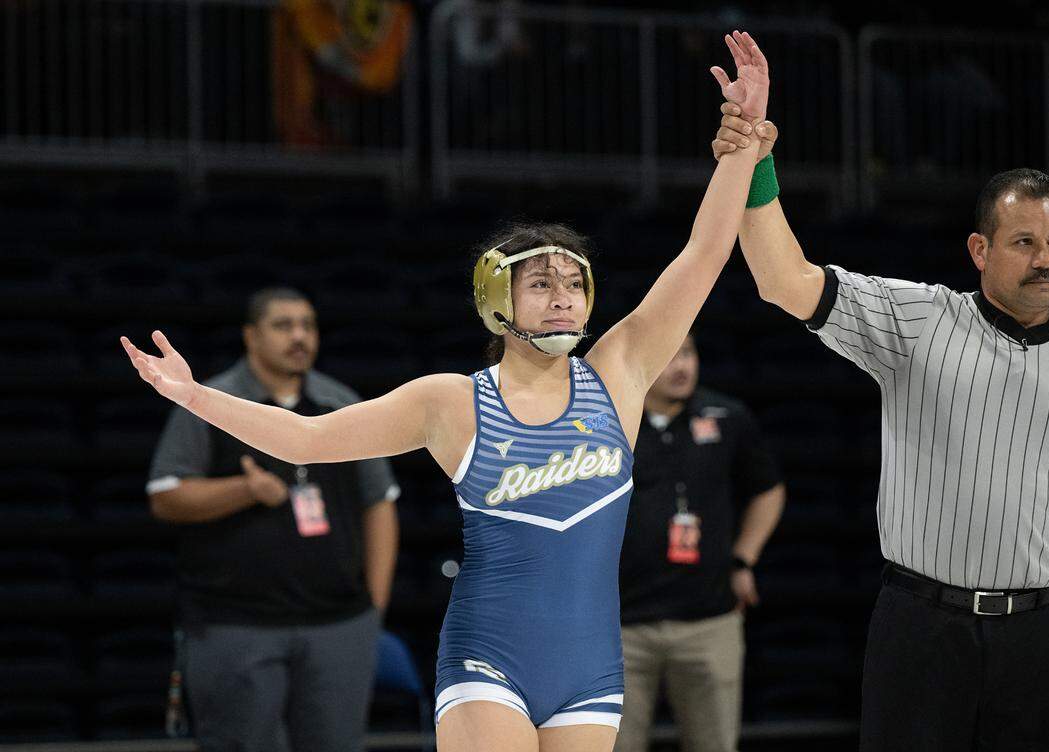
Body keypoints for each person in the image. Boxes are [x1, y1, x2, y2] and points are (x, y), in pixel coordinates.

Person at [122, 31, 771, 752]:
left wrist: (744, 143)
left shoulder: (617, 371)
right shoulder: (452, 401)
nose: (564, 297)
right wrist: (190, 395)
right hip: (488, 662)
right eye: (542, 282)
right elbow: (306, 439)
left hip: (591, 670)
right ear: (498, 299)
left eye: (574, 282)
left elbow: (708, 251)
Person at [711, 29, 1049, 752]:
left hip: (1044, 636)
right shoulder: (916, 317)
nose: (1044, 260)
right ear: (980, 249)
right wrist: (755, 158)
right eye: (1024, 242)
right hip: (920, 627)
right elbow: (782, 280)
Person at [145, 287, 401, 752]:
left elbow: (379, 501)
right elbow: (165, 496)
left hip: (338, 624)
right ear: (250, 336)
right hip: (236, 624)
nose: (299, 336)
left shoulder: (339, 401)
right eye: (283, 326)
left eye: (308, 325)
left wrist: (373, 607)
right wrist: (243, 490)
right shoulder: (209, 400)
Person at [615, 332, 785, 752]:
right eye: (670, 355)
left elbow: (769, 489)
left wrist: (744, 560)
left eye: (688, 353)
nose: (682, 366)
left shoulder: (727, 417)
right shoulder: (609, 422)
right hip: (620, 628)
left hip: (709, 622)